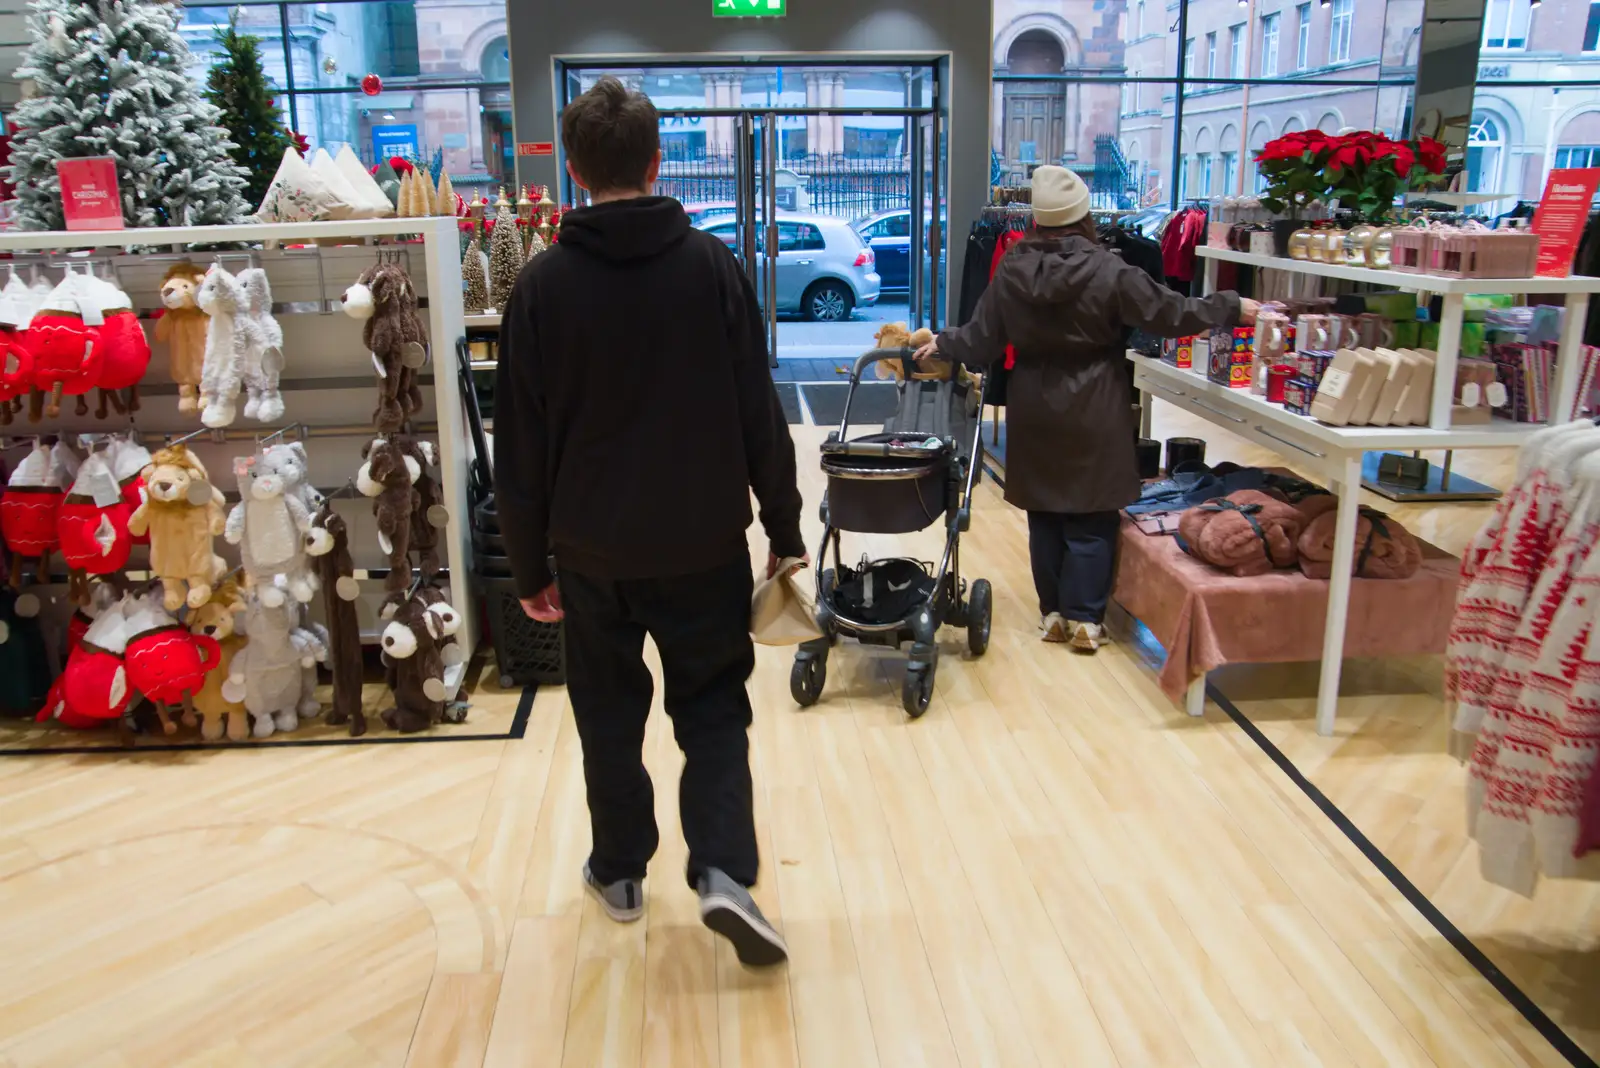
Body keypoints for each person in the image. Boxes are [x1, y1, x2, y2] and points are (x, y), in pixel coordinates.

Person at [493, 76, 804, 967]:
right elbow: (758, 412)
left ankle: (622, 872)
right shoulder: (712, 268)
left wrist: (527, 567)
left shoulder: (543, 289)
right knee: (711, 709)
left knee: (607, 712)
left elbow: (520, 445)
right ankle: (723, 873)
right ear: (657, 161)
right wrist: (782, 529)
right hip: (703, 541)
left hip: (592, 552)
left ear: (576, 170)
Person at [916, 166, 1257, 652]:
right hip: (1095, 399)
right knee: (1092, 513)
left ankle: (1051, 612)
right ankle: (1084, 619)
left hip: (1033, 400)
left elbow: (979, 339)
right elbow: (1171, 314)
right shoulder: (1109, 268)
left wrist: (942, 342)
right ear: (1082, 216)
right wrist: (1230, 305)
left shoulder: (1013, 268)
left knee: (1046, 513)